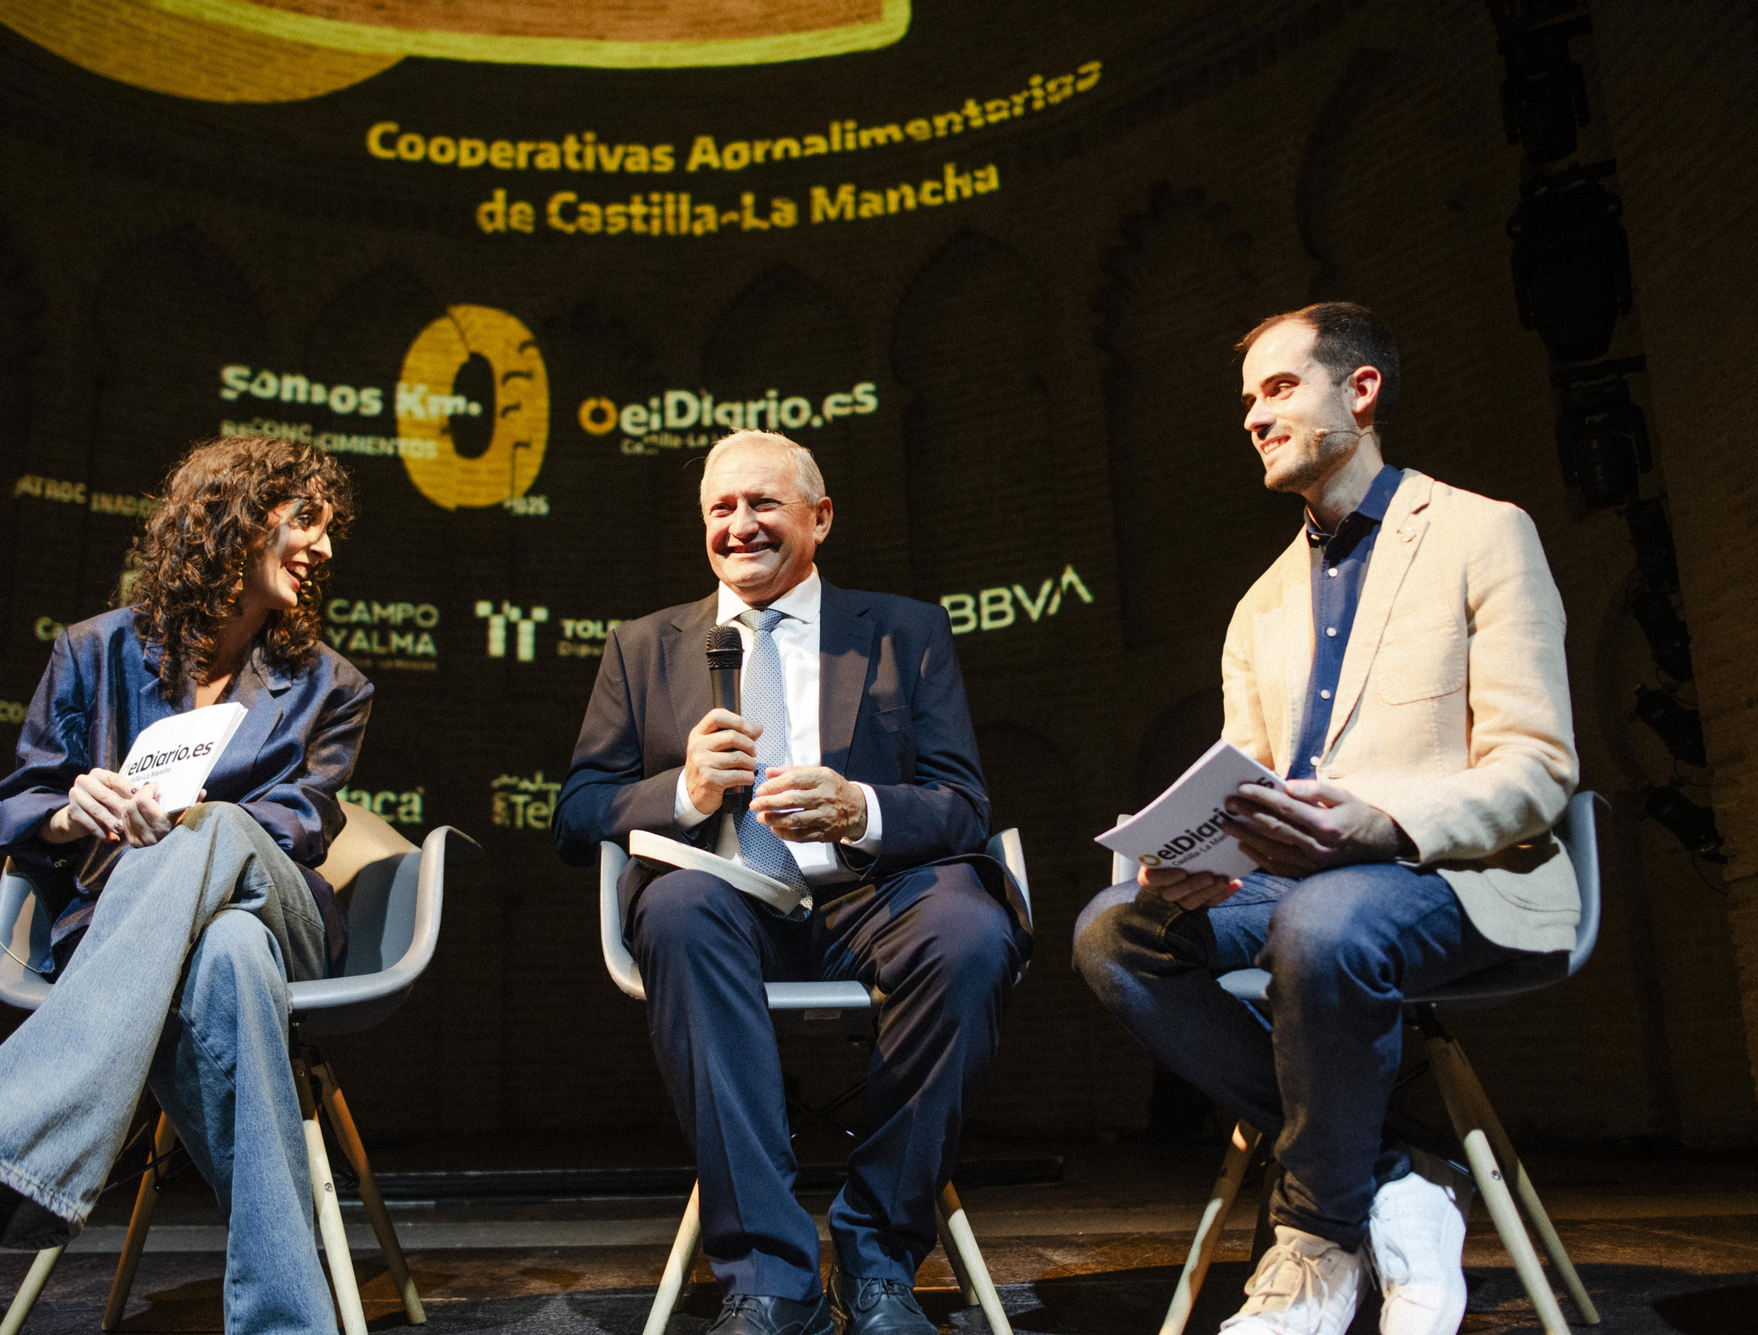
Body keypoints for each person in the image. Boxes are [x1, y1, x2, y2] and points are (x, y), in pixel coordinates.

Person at [1075, 303, 1579, 1335]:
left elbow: (1537, 769)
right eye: (1247, 400)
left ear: (1359, 392)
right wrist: (1194, 854)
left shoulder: (1483, 531)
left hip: (1454, 876)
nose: (1254, 418)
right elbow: (1246, 787)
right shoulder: (1258, 604)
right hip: (1296, 889)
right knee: (1110, 933)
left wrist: (1381, 823)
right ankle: (1392, 1178)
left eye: (1278, 389)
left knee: (1326, 924)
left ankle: (1309, 1240)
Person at [0, 435, 372, 1335]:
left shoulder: (330, 685)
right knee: (227, 961)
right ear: (235, 518)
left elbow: (299, 825)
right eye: (307, 520)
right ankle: (289, 1320)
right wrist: (79, 807)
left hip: (278, 901)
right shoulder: (91, 652)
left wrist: (179, 827)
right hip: (142, 933)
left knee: (214, 828)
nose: (326, 547)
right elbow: (17, 801)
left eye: (330, 530)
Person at [556, 431, 1030, 1335]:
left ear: (820, 517)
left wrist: (863, 808)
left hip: (871, 896)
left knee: (970, 933)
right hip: (725, 895)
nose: (741, 527)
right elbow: (578, 817)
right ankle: (771, 1274)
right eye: (721, 509)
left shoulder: (904, 629)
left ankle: (879, 1253)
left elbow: (964, 806)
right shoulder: (644, 647)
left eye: (763, 504)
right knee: (678, 908)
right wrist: (685, 792)